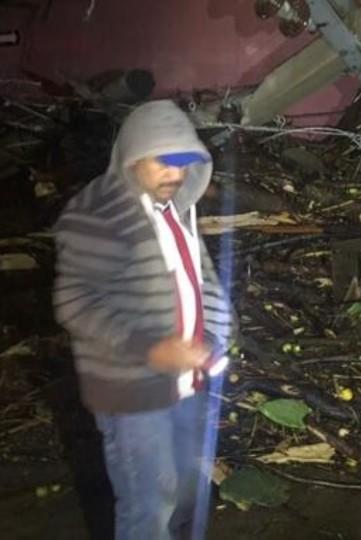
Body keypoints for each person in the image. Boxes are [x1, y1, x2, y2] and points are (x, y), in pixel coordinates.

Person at [53, 100, 233, 540]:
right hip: (132, 394)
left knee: (185, 489)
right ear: (133, 156)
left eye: (184, 163)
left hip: (186, 384)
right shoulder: (97, 213)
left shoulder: (175, 209)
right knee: (147, 506)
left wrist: (215, 332)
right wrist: (152, 349)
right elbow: (76, 301)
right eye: (164, 163)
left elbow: (200, 278)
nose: (175, 175)